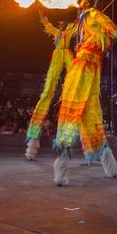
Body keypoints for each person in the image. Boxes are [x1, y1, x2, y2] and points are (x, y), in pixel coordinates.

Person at [52, 0, 117, 186]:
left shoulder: (94, 14)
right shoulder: (81, 20)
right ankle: (104, 167)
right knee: (88, 113)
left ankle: (106, 166)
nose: (79, 0)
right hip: (86, 64)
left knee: (87, 110)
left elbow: (109, 26)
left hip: (87, 65)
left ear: (89, 2)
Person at [25, 14, 78, 160]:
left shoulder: (69, 32)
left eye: (62, 24)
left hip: (67, 54)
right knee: (48, 89)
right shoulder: (57, 33)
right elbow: (49, 27)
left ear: (66, 25)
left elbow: (77, 25)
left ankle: (66, 139)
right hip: (57, 56)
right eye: (59, 24)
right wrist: (44, 20)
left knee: (72, 81)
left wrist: (82, 15)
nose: (60, 26)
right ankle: (32, 141)